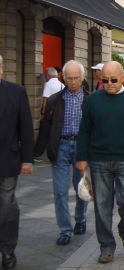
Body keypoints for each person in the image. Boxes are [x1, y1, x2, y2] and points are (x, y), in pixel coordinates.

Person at [75, 61, 124, 264]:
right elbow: (84, 131)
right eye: (104, 80)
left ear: (123, 78)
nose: (108, 83)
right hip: (99, 161)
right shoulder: (93, 100)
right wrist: (81, 157)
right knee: (102, 207)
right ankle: (106, 246)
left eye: (113, 79)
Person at [34, 60, 90, 246]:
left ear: (82, 78)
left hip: (81, 147)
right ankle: (65, 229)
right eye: (69, 78)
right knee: (59, 191)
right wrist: (37, 151)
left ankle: (80, 219)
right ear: (63, 78)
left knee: (81, 187)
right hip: (61, 147)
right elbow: (46, 126)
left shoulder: (90, 100)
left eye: (76, 78)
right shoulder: (54, 100)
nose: (73, 82)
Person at [0, 54, 34, 270]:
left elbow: (26, 127)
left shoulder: (16, 91)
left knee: (7, 206)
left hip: (7, 160)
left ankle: (8, 250)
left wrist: (27, 159)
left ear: (2, 69)